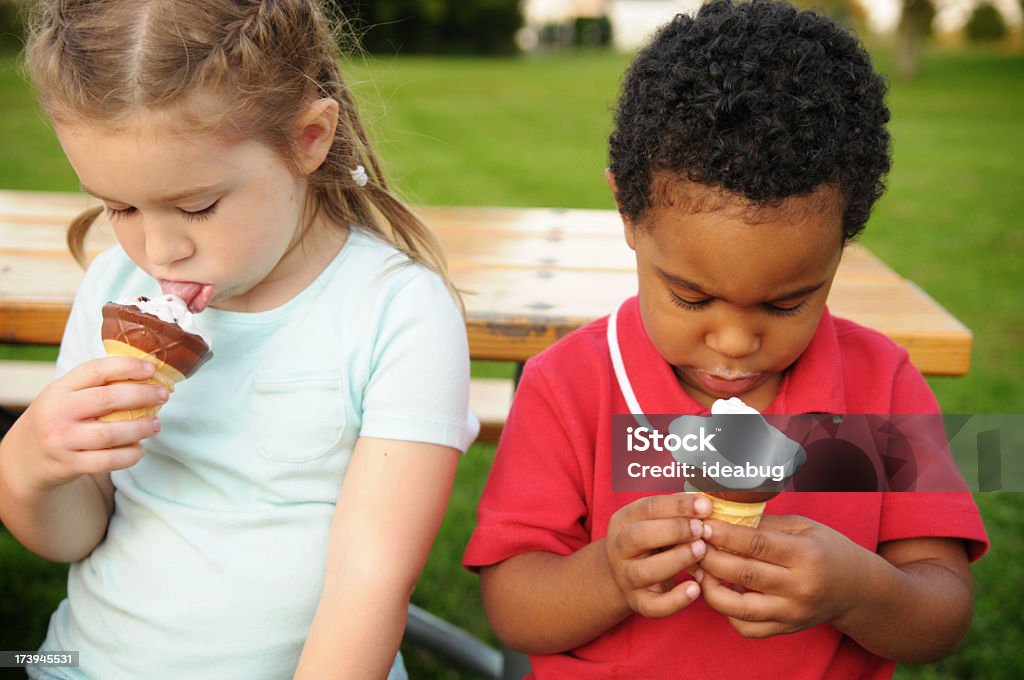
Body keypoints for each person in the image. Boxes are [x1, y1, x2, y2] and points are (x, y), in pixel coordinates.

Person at [463, 1, 988, 678]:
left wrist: (858, 589)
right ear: (627, 211)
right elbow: (512, 603)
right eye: (690, 296)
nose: (736, 342)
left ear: (843, 240)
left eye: (787, 302)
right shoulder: (569, 387)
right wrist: (607, 574)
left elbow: (942, 613)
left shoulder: (878, 385)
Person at [0, 1, 478, 678]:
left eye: (197, 206)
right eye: (119, 207)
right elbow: (77, 534)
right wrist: (28, 466)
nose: (159, 248)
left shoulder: (395, 312)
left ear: (308, 138)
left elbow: (370, 585)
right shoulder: (116, 284)